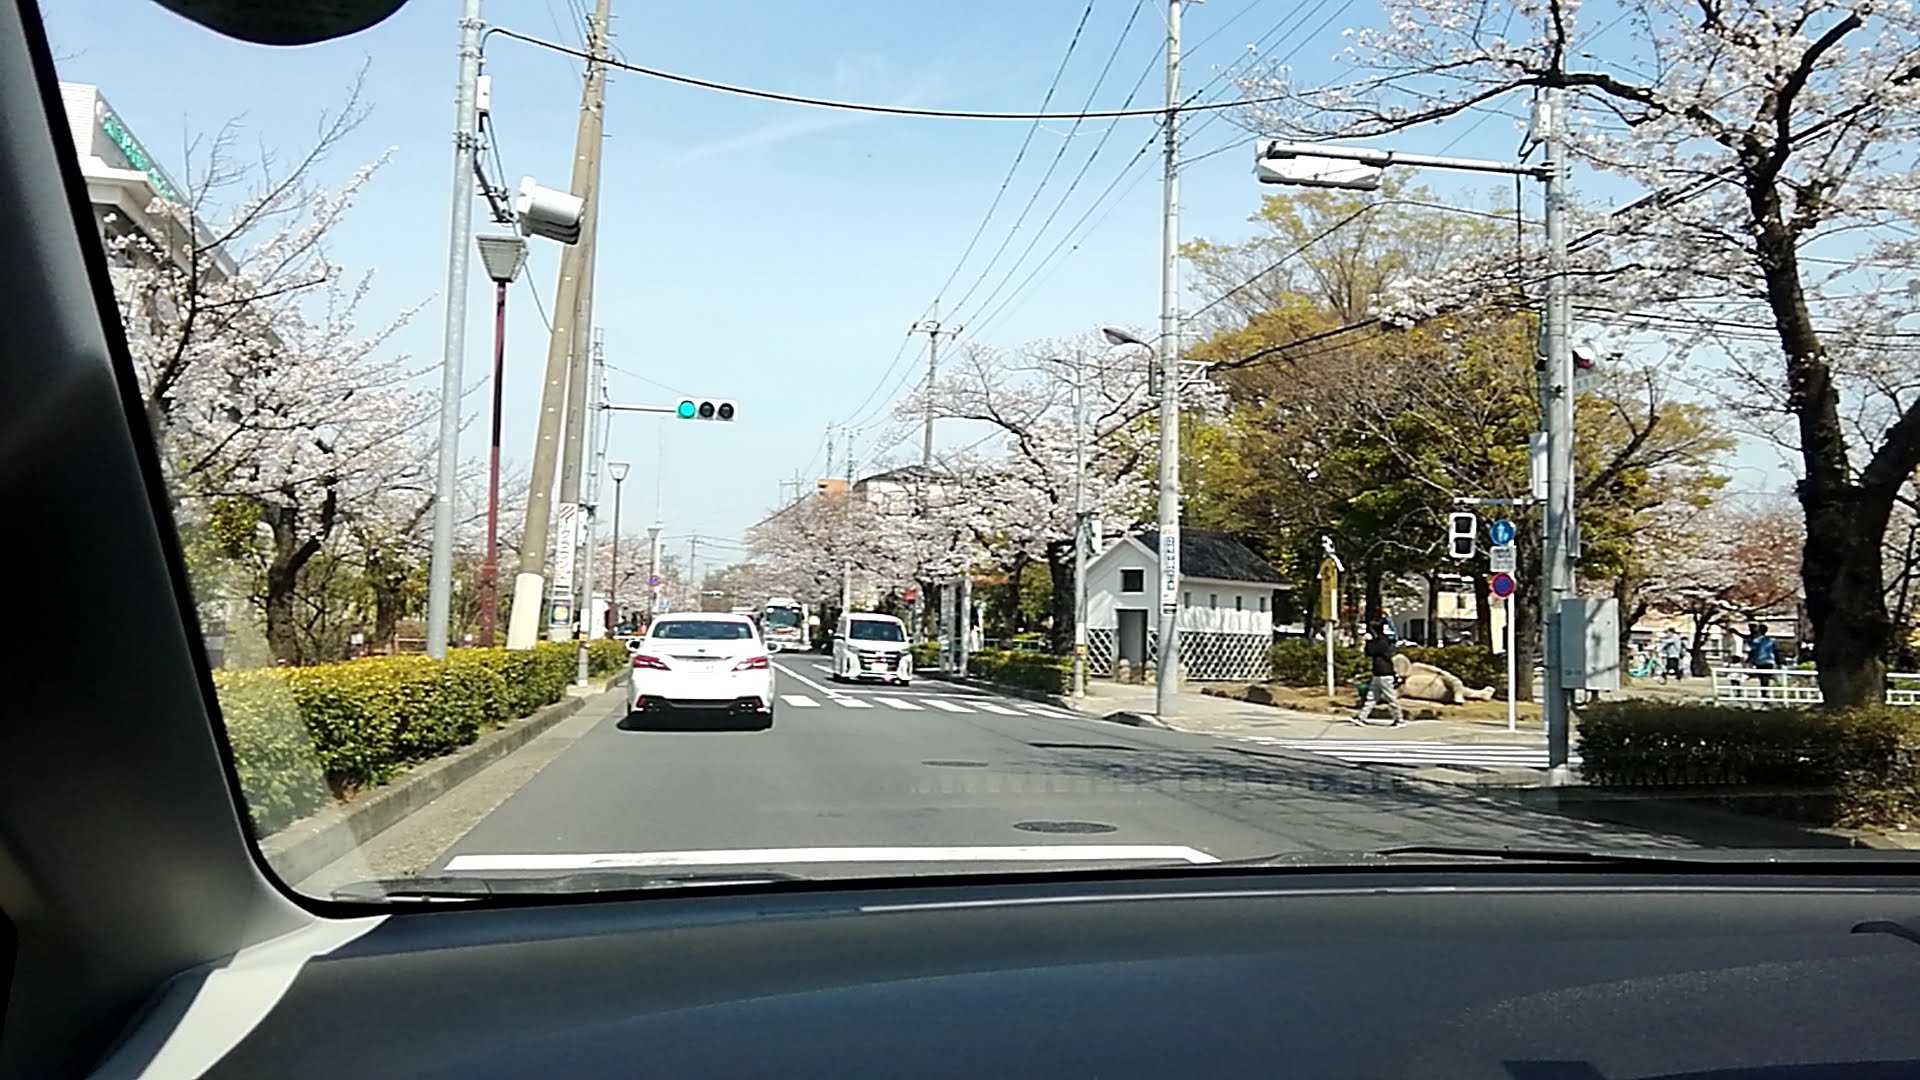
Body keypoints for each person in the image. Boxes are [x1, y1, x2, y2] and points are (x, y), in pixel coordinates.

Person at [1353, 621, 1405, 726]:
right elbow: (1369, 652)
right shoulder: (1379, 641)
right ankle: (1361, 718)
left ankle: (1399, 719)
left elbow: (1371, 651)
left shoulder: (1382, 642)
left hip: (1385, 674)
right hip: (1377, 673)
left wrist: (1368, 641)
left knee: (1390, 698)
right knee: (1371, 697)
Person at [1746, 623, 1778, 687]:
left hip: (1759, 661)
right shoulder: (1771, 640)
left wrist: (1748, 660)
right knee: (1766, 676)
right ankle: (1765, 689)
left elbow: (1752, 651)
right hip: (1769, 661)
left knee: (1762, 676)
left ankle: (1764, 691)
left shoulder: (1756, 641)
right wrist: (1778, 661)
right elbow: (1775, 651)